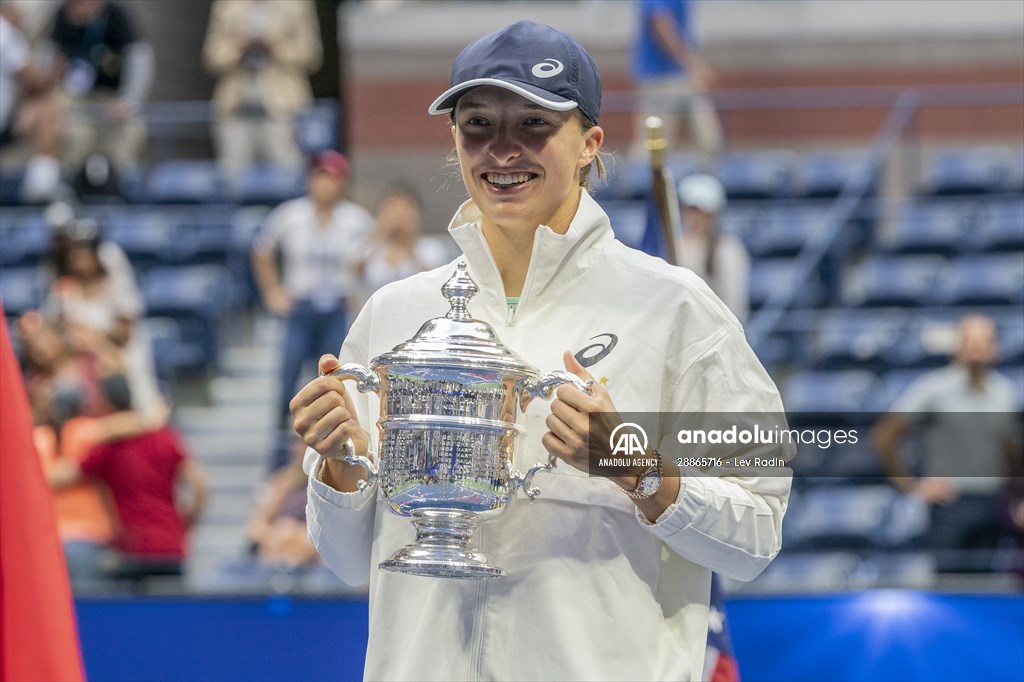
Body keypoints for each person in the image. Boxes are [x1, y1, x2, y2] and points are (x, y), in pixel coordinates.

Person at [291, 21, 791, 681]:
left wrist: (636, 468)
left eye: (534, 124)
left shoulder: (676, 310)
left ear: (589, 144)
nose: (502, 150)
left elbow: (757, 535)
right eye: (478, 125)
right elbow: (347, 561)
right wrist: (340, 465)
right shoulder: (394, 314)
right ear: (454, 140)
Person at [871, 314, 1021, 573]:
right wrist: (911, 486)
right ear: (957, 346)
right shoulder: (933, 389)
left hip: (993, 504)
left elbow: (1011, 453)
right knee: (950, 584)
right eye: (970, 340)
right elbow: (884, 436)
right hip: (950, 505)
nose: (977, 348)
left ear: (995, 347)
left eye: (984, 341)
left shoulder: (1006, 394)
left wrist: (1016, 497)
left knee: (988, 586)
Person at [251, 149, 373, 437]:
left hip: (337, 309)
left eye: (330, 178)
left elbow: (372, 258)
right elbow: (261, 250)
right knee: (289, 378)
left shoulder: (357, 220)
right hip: (300, 307)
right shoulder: (290, 215)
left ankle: (332, 443)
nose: (323, 184)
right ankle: (280, 450)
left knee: (334, 380)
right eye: (318, 177)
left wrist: (359, 291)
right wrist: (272, 291)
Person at [47, 375, 208, 586]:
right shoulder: (165, 437)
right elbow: (199, 484)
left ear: (106, 403)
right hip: (170, 545)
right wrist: (185, 522)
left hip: (133, 547)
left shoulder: (110, 445)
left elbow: (68, 475)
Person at [203, 0, 322, 184]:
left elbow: (311, 55)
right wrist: (239, 47)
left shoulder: (297, 4)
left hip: (283, 109)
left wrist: (274, 47)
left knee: (289, 178)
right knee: (232, 181)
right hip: (236, 108)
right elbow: (212, 57)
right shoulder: (227, 5)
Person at [48, 0, 154, 174]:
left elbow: (139, 57)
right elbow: (50, 52)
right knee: (70, 131)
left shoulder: (116, 14)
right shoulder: (63, 13)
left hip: (111, 96)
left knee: (130, 131)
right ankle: (71, 180)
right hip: (76, 97)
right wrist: (53, 72)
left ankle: (119, 182)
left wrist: (129, 98)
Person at [632, 0, 723, 163]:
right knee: (652, 148)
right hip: (660, 80)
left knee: (709, 142)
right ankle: (642, 179)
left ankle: (705, 177)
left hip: (684, 77)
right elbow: (660, 23)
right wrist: (692, 64)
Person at [0, 1, 63, 203]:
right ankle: (40, 190)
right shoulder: (7, 34)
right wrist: (55, 73)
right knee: (48, 110)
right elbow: (33, 83)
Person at [676, 173, 749, 324]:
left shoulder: (729, 250)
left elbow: (734, 305)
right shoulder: (676, 246)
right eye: (689, 210)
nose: (693, 217)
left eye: (700, 212)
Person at [358, 184, 450, 302]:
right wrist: (380, 235)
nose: (398, 216)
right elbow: (354, 276)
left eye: (406, 209)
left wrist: (409, 243)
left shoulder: (431, 248)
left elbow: (435, 284)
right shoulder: (367, 246)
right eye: (391, 208)